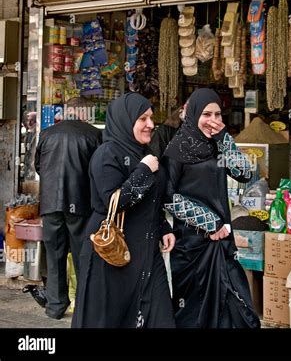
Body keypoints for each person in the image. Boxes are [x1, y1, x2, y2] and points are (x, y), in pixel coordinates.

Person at [72, 92, 176, 328]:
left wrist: (163, 227)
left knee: (161, 319)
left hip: (147, 254)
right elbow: (114, 203)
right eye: (143, 119)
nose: (150, 124)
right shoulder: (107, 154)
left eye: (151, 118)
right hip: (113, 254)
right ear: (124, 120)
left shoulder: (144, 154)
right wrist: (143, 171)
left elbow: (152, 200)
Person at [162, 88, 260, 328]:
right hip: (191, 245)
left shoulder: (217, 147)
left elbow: (245, 174)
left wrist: (225, 139)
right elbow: (167, 197)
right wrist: (209, 222)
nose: (214, 121)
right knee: (193, 310)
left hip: (222, 241)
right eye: (207, 114)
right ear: (193, 113)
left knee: (234, 305)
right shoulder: (176, 150)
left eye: (218, 115)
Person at [35, 97, 102, 320]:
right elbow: (99, 170)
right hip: (80, 203)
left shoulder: (47, 134)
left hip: (50, 203)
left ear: (67, 111)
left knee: (55, 256)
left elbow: (38, 166)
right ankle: (84, 305)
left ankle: (55, 306)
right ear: (84, 112)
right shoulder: (93, 134)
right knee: (83, 257)